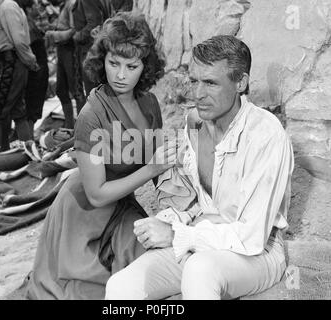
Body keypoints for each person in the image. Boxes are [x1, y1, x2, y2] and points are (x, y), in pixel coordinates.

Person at [105, 35, 295, 300]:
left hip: (258, 252)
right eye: (194, 81)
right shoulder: (195, 122)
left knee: (199, 270)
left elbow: (251, 237)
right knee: (120, 286)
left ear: (240, 82)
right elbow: (199, 200)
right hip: (203, 235)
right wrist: (172, 219)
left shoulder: (265, 135)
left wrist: (177, 234)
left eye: (210, 83)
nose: (197, 94)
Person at [25, 11, 171, 300]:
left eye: (132, 66)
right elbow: (97, 195)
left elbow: (159, 170)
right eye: (113, 63)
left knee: (156, 265)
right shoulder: (91, 115)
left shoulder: (150, 104)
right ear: (101, 60)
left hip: (121, 205)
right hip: (83, 213)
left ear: (145, 66)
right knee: (97, 292)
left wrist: (176, 214)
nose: (120, 74)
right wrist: (151, 170)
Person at [0, 0, 39, 154]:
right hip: (11, 62)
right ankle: (26, 153)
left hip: (11, 63)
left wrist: (30, 60)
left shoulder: (8, 6)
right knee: (18, 111)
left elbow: (19, 41)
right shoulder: (1, 7)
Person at [15, 0, 49, 138]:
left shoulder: (29, 22)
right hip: (35, 70)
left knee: (32, 106)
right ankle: (27, 139)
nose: (38, 7)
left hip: (37, 69)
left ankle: (27, 137)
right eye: (34, 5)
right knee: (31, 106)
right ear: (28, 9)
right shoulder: (27, 25)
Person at [45, 0, 77, 129]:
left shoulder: (71, 4)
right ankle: (70, 125)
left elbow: (74, 31)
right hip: (62, 50)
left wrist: (54, 34)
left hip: (70, 49)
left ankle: (81, 128)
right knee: (61, 90)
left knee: (76, 91)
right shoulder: (64, 4)